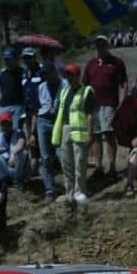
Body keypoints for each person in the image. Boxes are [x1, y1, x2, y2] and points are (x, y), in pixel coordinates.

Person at [82, 34, 128, 179]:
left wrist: (122, 102)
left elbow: (124, 83)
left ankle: (113, 167)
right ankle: (98, 166)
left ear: (107, 46)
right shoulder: (91, 64)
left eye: (102, 45)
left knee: (109, 135)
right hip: (94, 105)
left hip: (110, 104)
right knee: (95, 136)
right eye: (97, 45)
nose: (100, 48)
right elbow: (85, 85)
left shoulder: (116, 62)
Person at [52, 63, 95, 205]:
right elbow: (60, 111)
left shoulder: (86, 91)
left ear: (78, 76)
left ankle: (79, 192)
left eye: (71, 75)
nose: (69, 78)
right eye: (67, 75)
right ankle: (69, 193)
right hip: (65, 130)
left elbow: (90, 115)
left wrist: (90, 134)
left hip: (80, 133)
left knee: (80, 164)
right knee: (67, 164)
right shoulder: (64, 91)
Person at [34, 58, 62, 203]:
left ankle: (70, 185)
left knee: (62, 154)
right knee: (45, 158)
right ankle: (50, 189)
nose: (45, 77)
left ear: (54, 72)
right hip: (43, 121)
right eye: (43, 74)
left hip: (58, 121)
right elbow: (39, 106)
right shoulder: (41, 87)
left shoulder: (63, 85)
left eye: (47, 73)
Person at [0, 47, 27, 130]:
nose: (7, 62)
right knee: (1, 132)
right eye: (5, 59)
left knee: (16, 131)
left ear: (15, 59)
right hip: (3, 107)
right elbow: (0, 91)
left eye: (9, 59)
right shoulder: (2, 73)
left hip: (18, 107)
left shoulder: (23, 73)